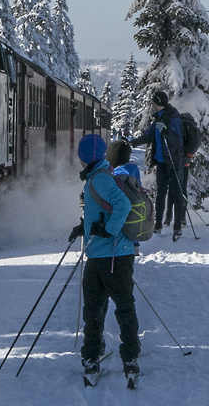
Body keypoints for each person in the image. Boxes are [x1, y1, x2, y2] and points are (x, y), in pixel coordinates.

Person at [69, 133, 140, 383]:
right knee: (96, 309)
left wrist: (108, 230)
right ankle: (96, 354)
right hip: (102, 254)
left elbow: (122, 205)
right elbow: (100, 210)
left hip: (113, 256)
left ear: (84, 157)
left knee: (116, 308)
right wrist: (84, 227)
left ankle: (126, 356)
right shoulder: (98, 174)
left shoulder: (100, 178)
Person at [130, 90, 187, 239]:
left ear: (158, 103)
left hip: (174, 162)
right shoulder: (158, 119)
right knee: (161, 193)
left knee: (176, 193)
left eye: (153, 102)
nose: (152, 104)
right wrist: (131, 142)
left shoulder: (173, 118)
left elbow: (176, 141)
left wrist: (166, 131)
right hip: (162, 162)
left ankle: (177, 227)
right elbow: (148, 136)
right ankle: (158, 225)